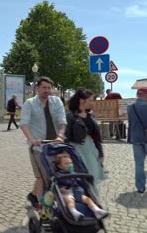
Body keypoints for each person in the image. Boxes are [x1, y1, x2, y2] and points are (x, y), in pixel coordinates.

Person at [20, 76, 66, 207]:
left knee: (52, 175)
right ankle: (42, 206)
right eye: (44, 87)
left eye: (49, 88)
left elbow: (62, 121)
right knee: (43, 177)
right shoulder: (29, 103)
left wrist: (60, 136)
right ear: (37, 88)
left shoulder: (57, 101)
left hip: (56, 145)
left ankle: (33, 196)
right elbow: (24, 123)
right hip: (38, 147)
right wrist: (31, 139)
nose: (47, 90)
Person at [65, 88, 106, 194]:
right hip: (76, 149)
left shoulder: (90, 116)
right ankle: (84, 199)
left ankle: (92, 199)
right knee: (80, 176)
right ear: (82, 101)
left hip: (90, 149)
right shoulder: (70, 116)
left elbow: (96, 136)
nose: (93, 102)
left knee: (93, 175)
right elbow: (66, 137)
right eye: (91, 100)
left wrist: (100, 152)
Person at [55, 152, 109, 220]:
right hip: (67, 193)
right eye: (66, 164)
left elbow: (80, 182)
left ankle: (97, 211)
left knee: (88, 199)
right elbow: (57, 185)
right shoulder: (59, 174)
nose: (69, 165)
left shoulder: (74, 173)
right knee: (70, 200)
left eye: (71, 163)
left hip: (77, 192)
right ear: (60, 166)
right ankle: (74, 212)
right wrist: (61, 189)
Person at [127, 87, 147, 194]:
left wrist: (129, 138)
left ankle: (140, 187)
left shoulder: (130, 107)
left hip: (136, 138)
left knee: (139, 164)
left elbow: (130, 123)